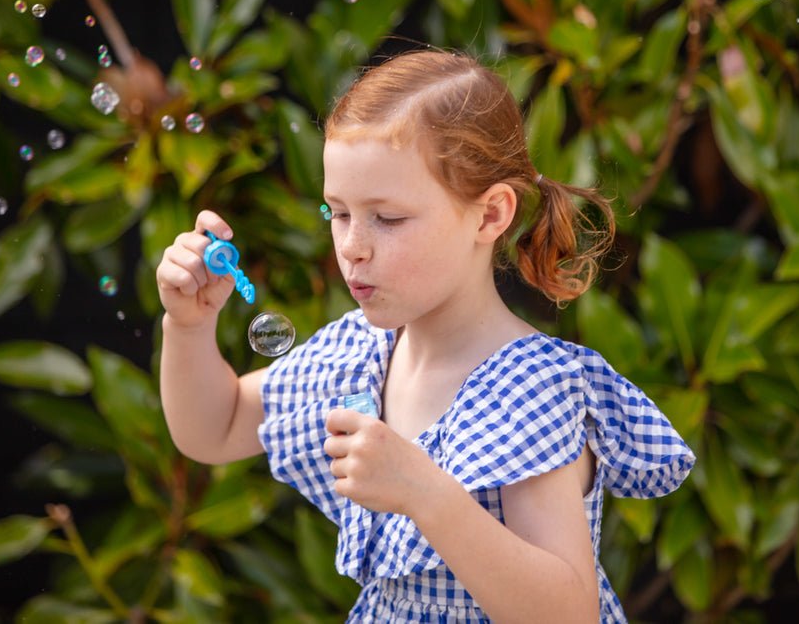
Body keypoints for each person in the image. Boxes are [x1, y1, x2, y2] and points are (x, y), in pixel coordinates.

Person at [157, 49, 695, 623]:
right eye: (338, 212)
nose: (352, 245)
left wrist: (425, 493)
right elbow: (216, 429)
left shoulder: (529, 391)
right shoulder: (356, 355)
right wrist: (188, 327)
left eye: (386, 218)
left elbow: (566, 614)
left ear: (490, 216)